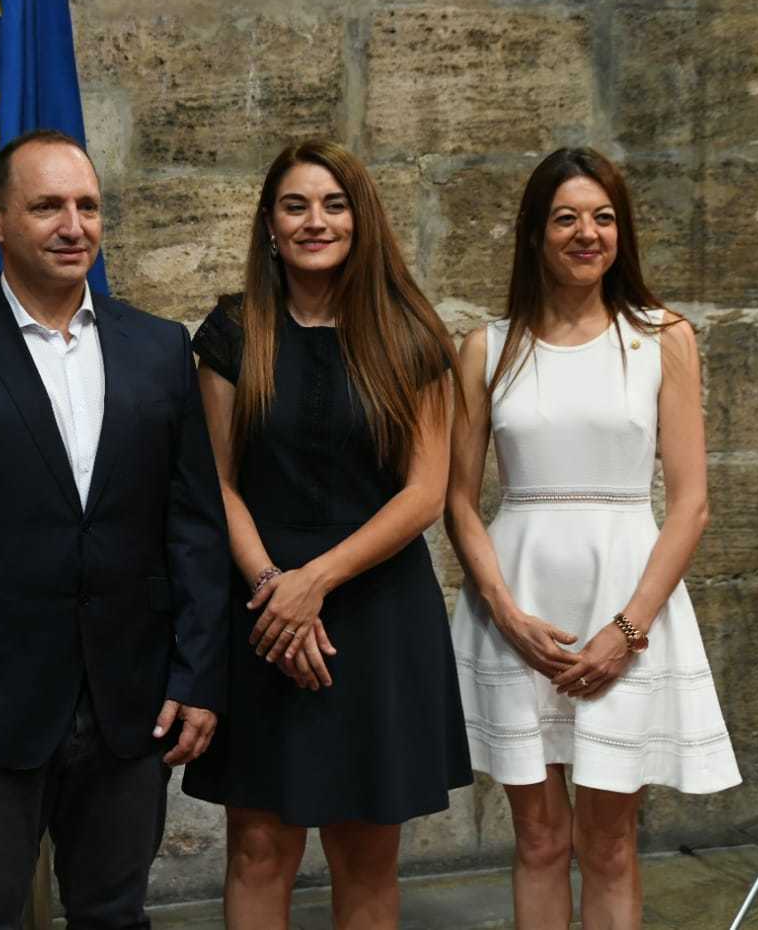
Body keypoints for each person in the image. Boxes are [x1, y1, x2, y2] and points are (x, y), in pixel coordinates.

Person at [0, 129, 230, 929]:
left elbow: (194, 525)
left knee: (113, 912)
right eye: (48, 206)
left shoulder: (158, 348)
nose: (73, 226)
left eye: (88, 206)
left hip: (131, 701)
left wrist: (197, 675)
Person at [445, 147, 741, 929]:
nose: (587, 233)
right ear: (535, 233)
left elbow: (690, 505)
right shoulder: (487, 346)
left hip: (627, 604)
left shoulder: (662, 335)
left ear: (622, 231)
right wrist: (504, 611)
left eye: (603, 217)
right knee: (539, 839)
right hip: (518, 608)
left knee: (608, 843)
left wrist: (627, 628)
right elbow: (458, 502)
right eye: (566, 217)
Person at [181, 138, 472, 930]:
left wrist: (314, 583)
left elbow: (423, 493)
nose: (315, 221)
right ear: (269, 225)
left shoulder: (408, 332)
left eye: (333, 204)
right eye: (295, 205)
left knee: (365, 855)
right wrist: (275, 588)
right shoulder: (234, 331)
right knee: (258, 847)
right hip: (261, 609)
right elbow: (215, 482)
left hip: (376, 613)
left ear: (360, 218)